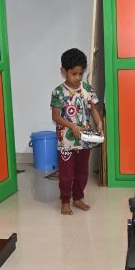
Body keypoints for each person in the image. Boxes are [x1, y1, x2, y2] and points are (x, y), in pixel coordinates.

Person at [51, 48, 103, 216]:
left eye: (81, 73)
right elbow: (56, 116)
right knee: (66, 175)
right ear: (63, 71)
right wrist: (72, 126)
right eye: (74, 74)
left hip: (84, 141)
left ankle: (78, 198)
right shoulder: (58, 92)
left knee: (82, 172)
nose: (78, 77)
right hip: (65, 143)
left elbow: (93, 109)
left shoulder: (88, 90)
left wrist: (99, 123)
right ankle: (65, 201)